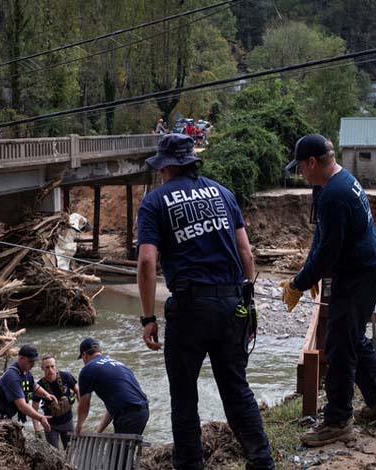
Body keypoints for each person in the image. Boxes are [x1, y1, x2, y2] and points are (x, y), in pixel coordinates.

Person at [137, 133, 275, 469]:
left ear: (166, 166)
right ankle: (262, 462)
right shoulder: (223, 193)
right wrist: (247, 301)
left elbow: (146, 262)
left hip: (190, 309)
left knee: (184, 398)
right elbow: (246, 253)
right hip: (232, 304)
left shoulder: (154, 202)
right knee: (237, 390)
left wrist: (147, 317)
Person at [280, 133, 376, 447]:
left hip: (359, 277)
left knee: (339, 347)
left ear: (313, 162)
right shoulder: (338, 182)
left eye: (301, 167)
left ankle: (337, 421)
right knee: (353, 339)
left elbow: (328, 251)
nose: (300, 173)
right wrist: (309, 273)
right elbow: (323, 240)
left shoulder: (334, 195)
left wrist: (298, 283)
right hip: (366, 271)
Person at [75, 337, 149, 435]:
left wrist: (78, 427)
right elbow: (113, 408)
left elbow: (84, 405)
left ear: (84, 355)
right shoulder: (118, 364)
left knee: (120, 450)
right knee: (123, 448)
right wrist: (99, 431)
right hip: (142, 411)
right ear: (100, 351)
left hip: (128, 414)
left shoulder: (88, 369)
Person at [0, 344, 52, 434]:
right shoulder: (12, 377)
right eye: (30, 361)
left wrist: (46, 395)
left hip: (11, 413)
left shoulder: (25, 371)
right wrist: (40, 418)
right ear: (21, 358)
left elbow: (33, 386)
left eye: (34, 361)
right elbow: (22, 406)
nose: (32, 364)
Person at [34, 354, 79, 450]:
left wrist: (81, 415)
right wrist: (37, 430)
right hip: (50, 425)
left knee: (71, 451)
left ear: (56, 366)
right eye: (47, 367)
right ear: (42, 368)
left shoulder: (66, 377)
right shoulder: (39, 386)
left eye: (52, 366)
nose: (50, 370)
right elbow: (34, 408)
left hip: (67, 422)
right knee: (54, 454)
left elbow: (78, 391)